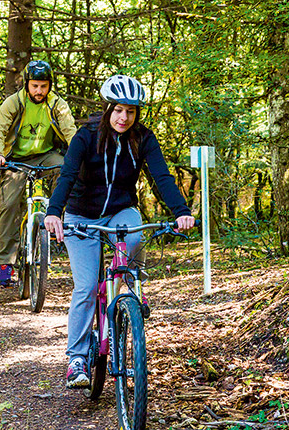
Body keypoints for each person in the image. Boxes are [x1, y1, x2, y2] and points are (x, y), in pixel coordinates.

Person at [44, 75, 195, 389]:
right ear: (107, 108)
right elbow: (67, 175)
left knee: (135, 237)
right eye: (118, 110)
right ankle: (76, 359)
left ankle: (130, 284)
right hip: (81, 215)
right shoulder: (86, 136)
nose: (124, 117)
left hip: (120, 211)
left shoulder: (144, 138)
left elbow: (162, 177)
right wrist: (54, 213)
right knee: (86, 287)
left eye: (131, 111)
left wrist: (181, 211)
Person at [0, 60, 77, 287]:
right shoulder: (13, 103)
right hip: (15, 159)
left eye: (44, 86)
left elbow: (70, 131)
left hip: (46, 155)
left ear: (50, 86)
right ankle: (5, 263)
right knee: (9, 204)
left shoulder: (57, 104)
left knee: (66, 170)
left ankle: (57, 219)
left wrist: (79, 155)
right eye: (35, 86)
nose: (39, 91)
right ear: (27, 84)